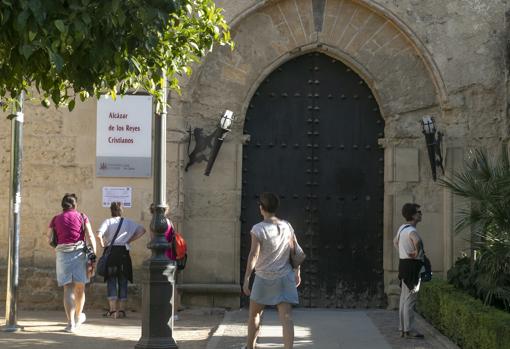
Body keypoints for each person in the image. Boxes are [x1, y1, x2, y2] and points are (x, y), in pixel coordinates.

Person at [242, 192, 301, 349]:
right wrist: (297, 271)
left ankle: (250, 347)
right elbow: (295, 250)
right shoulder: (287, 226)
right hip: (284, 277)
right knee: (286, 318)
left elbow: (253, 254)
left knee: (254, 314)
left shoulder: (258, 229)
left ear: (261, 208)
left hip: (263, 278)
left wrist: (247, 277)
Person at [46, 193, 97, 333]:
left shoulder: (56, 219)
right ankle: (78, 316)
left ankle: (70, 324)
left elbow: (49, 238)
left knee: (68, 288)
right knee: (80, 288)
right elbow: (90, 235)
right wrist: (94, 255)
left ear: (63, 205)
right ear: (75, 205)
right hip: (80, 253)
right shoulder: (82, 216)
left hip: (63, 253)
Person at [97, 202, 146, 319]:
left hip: (111, 252)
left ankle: (113, 311)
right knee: (123, 281)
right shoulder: (128, 222)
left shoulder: (108, 221)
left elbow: (98, 234)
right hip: (124, 252)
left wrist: (103, 244)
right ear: (121, 210)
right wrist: (129, 240)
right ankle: (122, 311)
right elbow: (142, 230)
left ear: (111, 211)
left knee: (112, 280)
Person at [393, 203, 425, 339]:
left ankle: (403, 328)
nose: (420, 214)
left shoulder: (402, 228)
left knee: (404, 298)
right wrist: (415, 252)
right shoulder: (412, 230)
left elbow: (395, 242)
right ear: (413, 215)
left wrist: (403, 253)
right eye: (418, 212)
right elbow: (416, 240)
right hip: (412, 266)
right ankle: (409, 329)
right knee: (410, 299)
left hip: (403, 264)